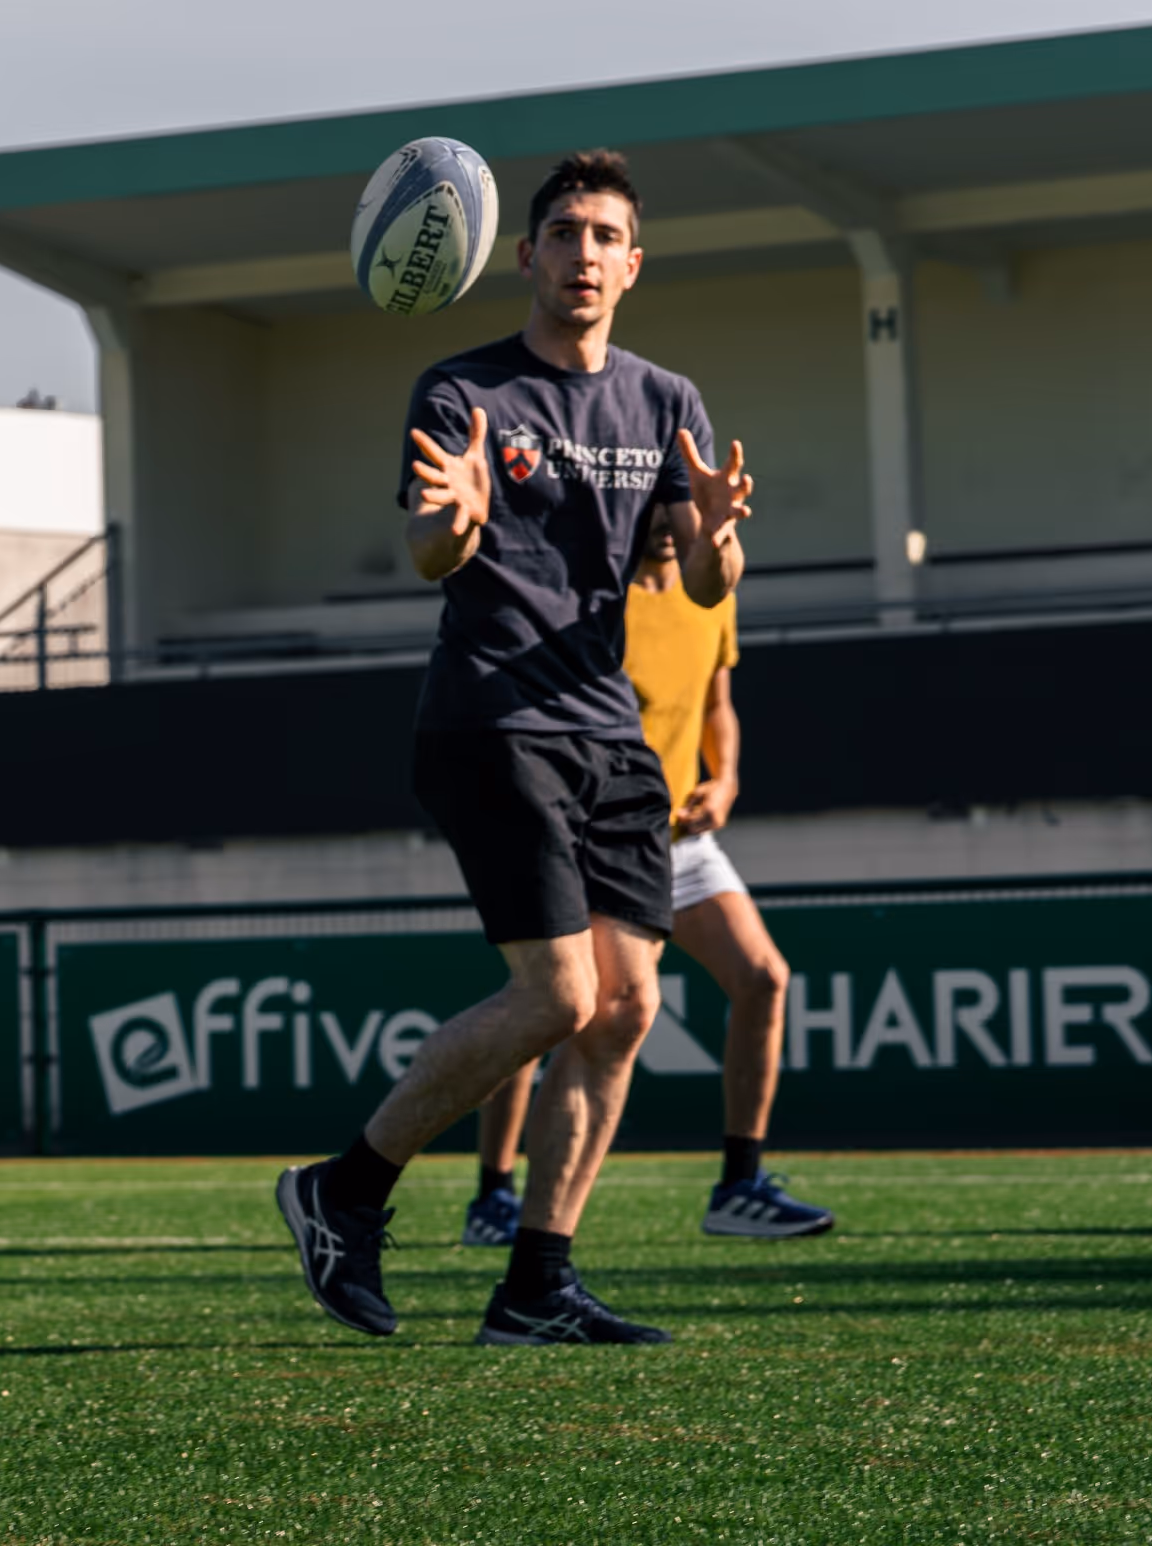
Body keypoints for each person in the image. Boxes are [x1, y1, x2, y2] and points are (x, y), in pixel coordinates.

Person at [274, 148, 753, 1347]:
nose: (584, 253)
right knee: (559, 992)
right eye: (565, 233)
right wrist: (457, 519)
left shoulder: (668, 401)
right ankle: (345, 1188)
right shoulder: (462, 390)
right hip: (492, 718)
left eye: (606, 236)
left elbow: (702, 583)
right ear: (526, 253)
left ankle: (538, 1280)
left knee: (627, 1004)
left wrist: (719, 537)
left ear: (632, 265)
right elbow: (432, 553)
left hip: (612, 728)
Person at [459, 512, 835, 1246]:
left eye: (679, 509)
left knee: (763, 977)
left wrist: (723, 781)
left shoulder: (712, 593)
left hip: (679, 844)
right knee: (552, 1010)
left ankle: (740, 1185)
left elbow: (716, 704)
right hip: (595, 838)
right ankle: (494, 1196)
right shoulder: (591, 601)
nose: (666, 524)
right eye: (654, 509)